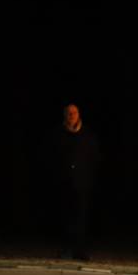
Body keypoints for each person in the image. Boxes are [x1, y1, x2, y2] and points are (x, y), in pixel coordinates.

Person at [55, 103, 100, 260]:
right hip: (64, 183)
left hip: (82, 184)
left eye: (74, 113)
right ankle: (66, 249)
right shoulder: (58, 135)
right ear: (65, 116)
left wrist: (88, 177)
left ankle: (80, 250)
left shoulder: (87, 136)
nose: (71, 115)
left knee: (81, 217)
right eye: (69, 113)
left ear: (79, 115)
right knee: (65, 216)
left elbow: (94, 159)